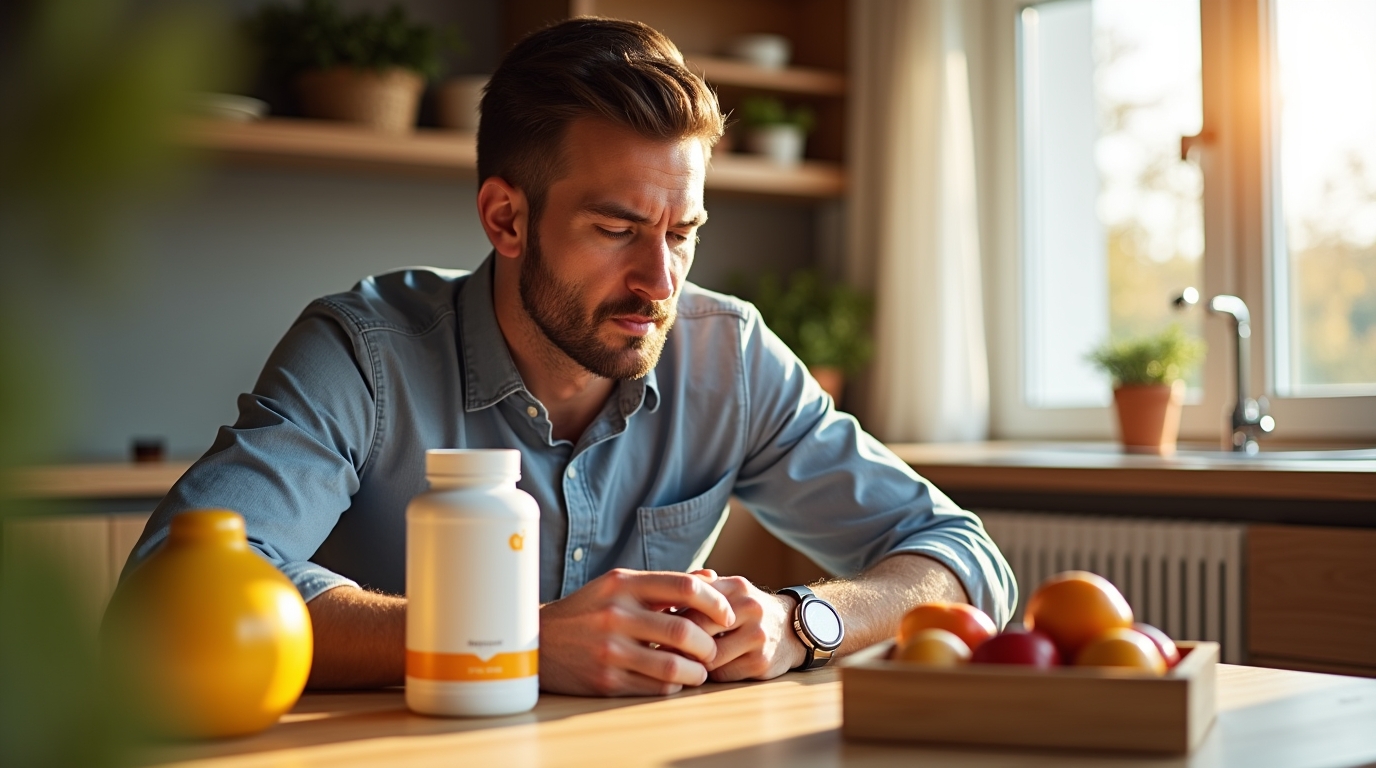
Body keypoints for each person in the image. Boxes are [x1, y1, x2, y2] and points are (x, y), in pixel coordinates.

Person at [127, 18, 1016, 696]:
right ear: (506, 218)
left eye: (684, 233)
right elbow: (170, 597)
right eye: (617, 229)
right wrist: (507, 634)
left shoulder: (728, 355)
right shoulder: (364, 351)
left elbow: (968, 561)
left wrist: (806, 619)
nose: (659, 280)